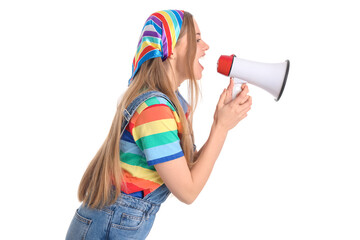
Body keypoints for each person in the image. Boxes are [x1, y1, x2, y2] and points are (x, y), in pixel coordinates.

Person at [66, 10, 252, 239]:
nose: (206, 46)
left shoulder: (167, 104)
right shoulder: (155, 111)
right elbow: (188, 190)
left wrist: (219, 122)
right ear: (171, 49)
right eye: (196, 39)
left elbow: (186, 170)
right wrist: (221, 128)